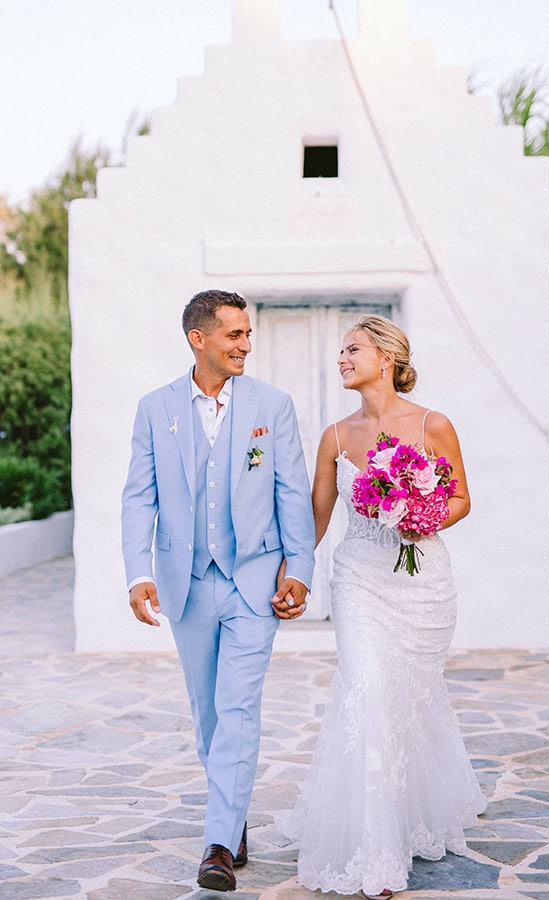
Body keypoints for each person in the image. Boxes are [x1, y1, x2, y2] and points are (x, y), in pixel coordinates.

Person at [282, 315, 487, 897]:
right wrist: (294, 575)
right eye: (340, 351)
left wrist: (421, 516)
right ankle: (375, 851)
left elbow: (461, 497)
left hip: (422, 584)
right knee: (366, 690)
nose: (342, 358)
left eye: (353, 349)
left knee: (408, 702)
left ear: (388, 358)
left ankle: (412, 812)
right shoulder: (336, 436)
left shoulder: (432, 424)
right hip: (359, 577)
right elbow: (317, 518)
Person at [121, 289, 315, 892]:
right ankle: (232, 817)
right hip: (186, 583)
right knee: (208, 717)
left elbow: (291, 491)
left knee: (236, 708)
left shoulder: (272, 406)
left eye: (248, 333)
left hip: (252, 581)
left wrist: (298, 568)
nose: (245, 345)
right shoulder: (155, 409)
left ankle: (217, 846)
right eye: (233, 334)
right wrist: (138, 571)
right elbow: (139, 496)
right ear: (197, 339)